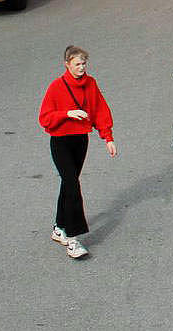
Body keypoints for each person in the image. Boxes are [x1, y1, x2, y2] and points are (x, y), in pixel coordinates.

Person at [37, 45, 116, 261]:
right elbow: (45, 118)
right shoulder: (56, 86)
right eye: (77, 64)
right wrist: (67, 113)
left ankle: (59, 227)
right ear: (67, 65)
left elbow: (99, 109)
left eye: (84, 63)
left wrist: (108, 137)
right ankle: (72, 239)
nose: (81, 67)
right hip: (61, 141)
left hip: (80, 140)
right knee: (72, 185)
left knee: (68, 183)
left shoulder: (90, 83)